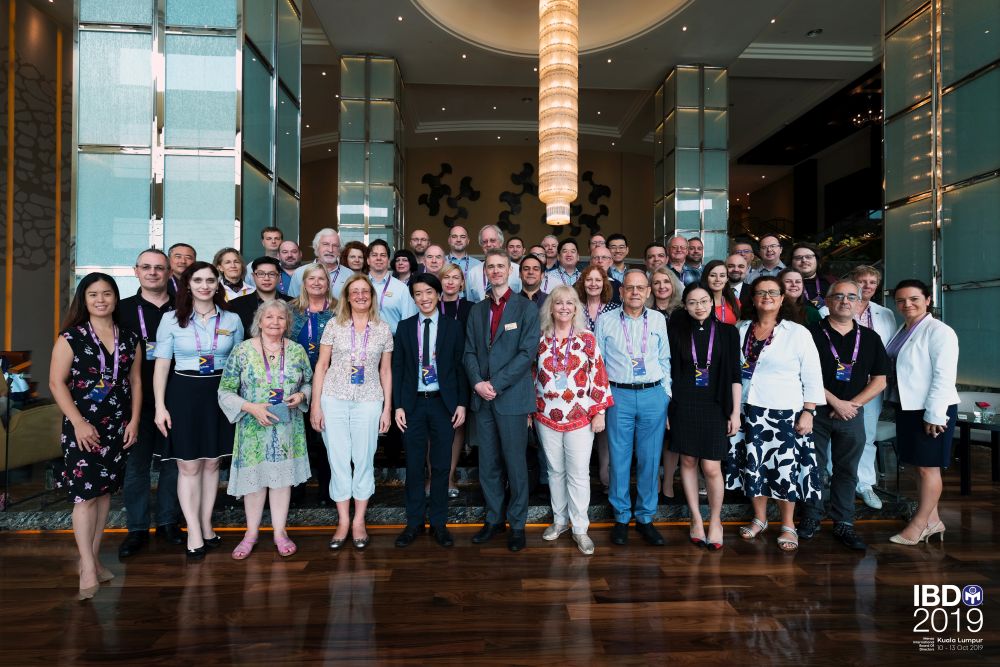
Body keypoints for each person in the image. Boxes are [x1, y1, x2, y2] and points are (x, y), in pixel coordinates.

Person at [49, 273, 142, 599]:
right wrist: (78, 422)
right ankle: (87, 566)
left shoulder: (129, 337)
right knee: (85, 496)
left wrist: (134, 421)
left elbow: (135, 381)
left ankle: (95, 559)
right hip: (83, 427)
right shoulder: (71, 337)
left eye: (107, 293)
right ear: (84, 300)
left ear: (116, 298)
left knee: (104, 495)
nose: (101, 300)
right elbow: (56, 383)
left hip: (117, 425)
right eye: (93, 294)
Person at [724, 276, 824, 553]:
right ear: (753, 299)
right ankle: (760, 518)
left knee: (784, 468)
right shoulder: (741, 329)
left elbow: (813, 374)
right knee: (753, 466)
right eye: (760, 292)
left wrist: (809, 411)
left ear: (782, 299)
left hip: (784, 412)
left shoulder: (797, 332)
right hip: (747, 409)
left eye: (772, 292)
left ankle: (788, 524)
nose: (766, 297)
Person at [153, 262, 245, 559]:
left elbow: (240, 363)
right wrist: (159, 406)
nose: (204, 286)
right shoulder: (170, 319)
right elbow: (162, 365)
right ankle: (192, 529)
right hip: (183, 393)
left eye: (210, 280)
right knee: (189, 465)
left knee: (212, 464)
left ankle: (206, 525)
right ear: (188, 285)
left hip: (221, 393)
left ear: (218, 284)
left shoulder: (232, 319)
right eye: (198, 280)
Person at [218, 300, 312, 560]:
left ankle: (280, 533)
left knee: (281, 482)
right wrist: (250, 407)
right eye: (269, 317)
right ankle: (251, 534)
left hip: (287, 428)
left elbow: (309, 382)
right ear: (259, 321)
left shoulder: (296, 351)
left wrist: (301, 396)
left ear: (287, 323)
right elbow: (225, 390)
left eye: (281, 318)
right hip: (252, 428)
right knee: (255, 483)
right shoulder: (242, 350)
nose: (275, 322)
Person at [798, 281, 888, 551]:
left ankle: (844, 522)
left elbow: (880, 380)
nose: (845, 301)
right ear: (827, 301)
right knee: (812, 468)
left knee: (847, 470)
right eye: (838, 296)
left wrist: (851, 405)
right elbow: (802, 374)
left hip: (852, 414)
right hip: (815, 412)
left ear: (859, 303)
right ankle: (811, 517)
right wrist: (836, 402)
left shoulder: (870, 338)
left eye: (851, 297)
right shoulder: (809, 334)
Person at [463, 249, 540, 552]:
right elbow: (469, 351)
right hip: (483, 398)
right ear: (485, 272)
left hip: (512, 398)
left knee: (515, 463)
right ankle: (494, 518)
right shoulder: (477, 310)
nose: (495, 271)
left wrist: (495, 384)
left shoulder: (526, 308)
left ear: (510, 271)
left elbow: (527, 354)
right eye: (490, 267)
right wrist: (478, 383)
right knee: (488, 463)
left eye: (500, 266)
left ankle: (517, 524)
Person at [310, 274, 393, 550]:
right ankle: (343, 520)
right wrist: (316, 405)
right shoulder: (334, 325)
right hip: (333, 398)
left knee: (364, 459)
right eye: (354, 291)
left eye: (365, 291)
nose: (360, 296)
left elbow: (385, 370)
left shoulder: (383, 328)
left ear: (372, 296)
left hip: (369, 399)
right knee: (338, 460)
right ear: (346, 296)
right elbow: (322, 365)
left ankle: (359, 521)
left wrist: (387, 409)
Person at [534, 285, 613, 556]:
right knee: (555, 471)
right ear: (551, 308)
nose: (564, 307)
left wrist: (599, 411)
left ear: (576, 308)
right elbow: (532, 374)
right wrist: (529, 411)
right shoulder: (540, 339)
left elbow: (598, 374)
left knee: (578, 473)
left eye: (570, 303)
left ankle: (580, 528)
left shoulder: (587, 338)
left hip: (580, 416)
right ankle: (559, 521)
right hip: (546, 414)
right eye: (559, 303)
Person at [595, 269, 671, 547]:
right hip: (619, 395)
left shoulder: (659, 319)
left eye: (640, 288)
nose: (635, 292)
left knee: (650, 459)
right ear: (621, 291)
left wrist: (666, 396)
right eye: (630, 288)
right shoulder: (605, 320)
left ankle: (646, 517)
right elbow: (598, 364)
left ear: (648, 291)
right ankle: (621, 516)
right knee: (619, 458)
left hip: (653, 395)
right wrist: (602, 400)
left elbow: (665, 359)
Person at [392, 274, 468, 549]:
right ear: (413, 298)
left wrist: (461, 403)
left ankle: (439, 524)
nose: (424, 298)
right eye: (418, 294)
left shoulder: (453, 327)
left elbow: (460, 367)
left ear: (438, 294)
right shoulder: (404, 327)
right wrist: (398, 406)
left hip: (442, 404)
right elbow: (398, 368)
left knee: (440, 466)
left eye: (428, 292)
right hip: (412, 404)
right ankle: (414, 523)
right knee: (414, 466)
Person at [667, 284, 741, 551]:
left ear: (712, 302)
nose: (699, 307)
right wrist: (668, 409)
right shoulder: (676, 331)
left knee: (711, 467)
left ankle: (716, 520)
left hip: (715, 404)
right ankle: (696, 518)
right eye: (692, 302)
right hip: (684, 404)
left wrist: (735, 412)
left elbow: (735, 375)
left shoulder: (728, 332)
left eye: (703, 301)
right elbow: (669, 371)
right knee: (687, 461)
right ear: (685, 306)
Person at [118, 250, 182, 558]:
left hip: (177, 398)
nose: (153, 272)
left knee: (174, 464)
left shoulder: (184, 308)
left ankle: (169, 522)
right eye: (146, 267)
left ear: (169, 272)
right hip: (136, 402)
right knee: (136, 466)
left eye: (159, 268)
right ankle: (137, 528)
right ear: (136, 271)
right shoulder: (121, 310)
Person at [885, 279, 959, 545]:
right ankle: (933, 520)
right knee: (917, 467)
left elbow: (944, 376)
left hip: (932, 408)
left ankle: (918, 525)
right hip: (908, 406)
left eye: (914, 299)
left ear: (928, 300)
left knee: (929, 469)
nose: (907, 304)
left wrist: (935, 414)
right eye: (901, 300)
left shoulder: (940, 331)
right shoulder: (903, 329)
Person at [289, 262, 337, 505]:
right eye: (312, 278)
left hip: (330, 382)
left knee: (326, 439)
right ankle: (296, 492)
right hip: (295, 383)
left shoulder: (339, 309)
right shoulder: (290, 310)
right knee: (298, 438)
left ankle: (327, 492)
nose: (317, 283)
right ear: (304, 283)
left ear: (328, 283)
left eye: (321, 279)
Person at [850, 265, 897, 509]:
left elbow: (889, 350)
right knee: (834, 434)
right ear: (853, 281)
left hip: (872, 385)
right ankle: (835, 478)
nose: (867, 286)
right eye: (862, 281)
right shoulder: (831, 307)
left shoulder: (885, 313)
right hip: (839, 385)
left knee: (866, 435)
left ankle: (865, 483)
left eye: (872, 282)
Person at [437, 263, 474, 496]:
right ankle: (435, 476)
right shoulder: (430, 305)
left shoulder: (471, 308)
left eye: (455, 277)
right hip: (432, 372)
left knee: (456, 424)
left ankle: (450, 476)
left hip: (461, 371)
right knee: (433, 428)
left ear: (462, 283)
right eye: (446, 277)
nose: (450, 281)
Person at [646, 267, 683, 499]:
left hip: (678, 375)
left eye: (666, 282)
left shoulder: (682, 312)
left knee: (672, 432)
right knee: (652, 432)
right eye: (657, 282)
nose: (662, 286)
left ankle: (668, 480)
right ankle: (655, 479)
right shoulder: (644, 311)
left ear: (673, 285)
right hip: (652, 376)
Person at [228, 256, 293, 332]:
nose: (266, 278)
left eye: (272, 274)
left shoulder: (292, 304)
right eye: (261, 274)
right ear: (253, 276)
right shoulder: (235, 305)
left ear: (279, 277)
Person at [366, 240, 417, 334]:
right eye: (374, 255)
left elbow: (409, 323)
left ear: (388, 260)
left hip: (394, 340)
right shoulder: (358, 285)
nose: (379, 258)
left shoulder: (402, 288)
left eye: (383, 255)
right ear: (368, 260)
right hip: (362, 340)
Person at [288, 228, 352, 299]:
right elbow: (292, 303)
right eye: (326, 244)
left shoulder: (349, 275)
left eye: (335, 246)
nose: (330, 250)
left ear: (339, 250)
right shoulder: (300, 273)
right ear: (316, 247)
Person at [465, 224, 521, 302]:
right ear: (481, 245)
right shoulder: (473, 273)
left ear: (501, 242)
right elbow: (470, 303)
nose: (488, 244)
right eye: (485, 242)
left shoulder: (517, 270)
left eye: (492, 240)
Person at [700, 259, 740, 325]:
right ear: (706, 278)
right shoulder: (698, 303)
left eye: (722, 276)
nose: (718, 279)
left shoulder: (734, 301)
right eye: (713, 275)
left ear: (727, 279)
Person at [791, 242, 829, 308]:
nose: (804, 260)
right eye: (798, 258)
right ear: (791, 262)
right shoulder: (784, 285)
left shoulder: (830, 282)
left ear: (817, 260)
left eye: (808, 257)